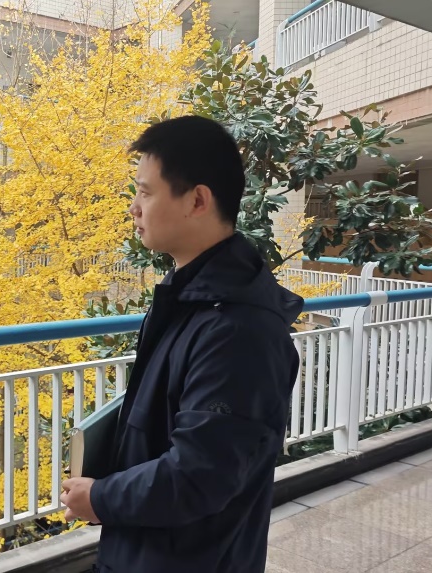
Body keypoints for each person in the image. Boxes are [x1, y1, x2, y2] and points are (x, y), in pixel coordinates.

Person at [60, 115, 303, 572]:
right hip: (152, 550)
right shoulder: (193, 298)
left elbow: (200, 474)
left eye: (145, 192)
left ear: (197, 200)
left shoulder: (236, 328)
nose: (134, 208)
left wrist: (103, 497)